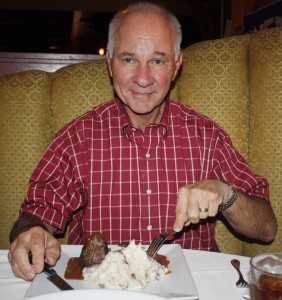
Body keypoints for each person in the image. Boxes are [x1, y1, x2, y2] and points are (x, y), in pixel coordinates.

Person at [8, 2, 277, 281]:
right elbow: (34, 215)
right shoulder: (76, 139)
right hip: (101, 292)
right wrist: (30, 235)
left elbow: (266, 229)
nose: (143, 78)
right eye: (128, 59)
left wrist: (225, 193)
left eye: (158, 60)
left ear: (176, 65)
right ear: (110, 62)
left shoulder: (207, 136)